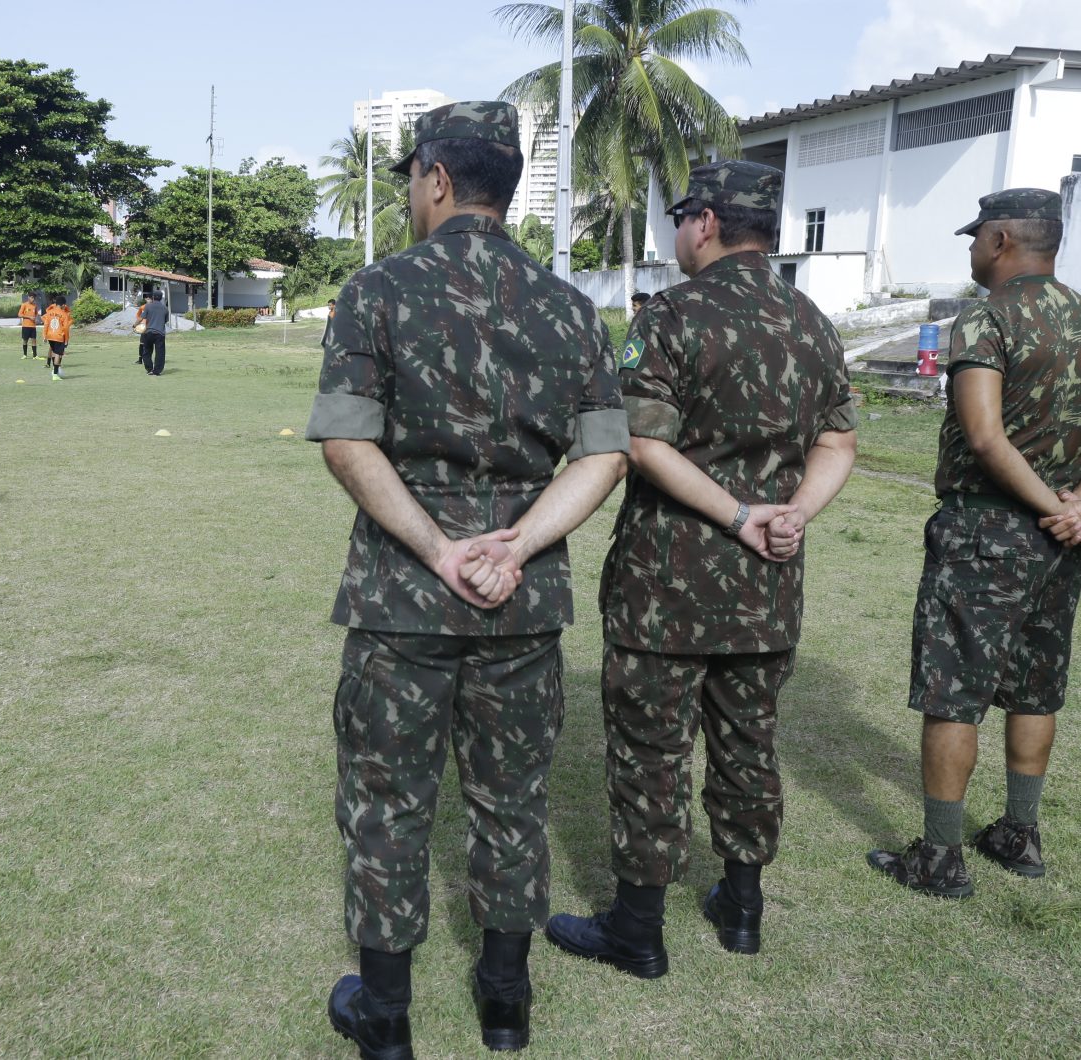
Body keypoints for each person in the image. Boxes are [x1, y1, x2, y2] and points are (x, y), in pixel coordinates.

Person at [307, 101, 629, 1058]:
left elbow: (346, 440)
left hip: (405, 601)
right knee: (512, 799)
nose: (411, 193)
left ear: (437, 179)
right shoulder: (571, 308)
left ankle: (388, 1017)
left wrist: (439, 550)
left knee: (386, 800)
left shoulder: (378, 291)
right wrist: (518, 544)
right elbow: (605, 457)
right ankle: (505, 1004)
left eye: (411, 177)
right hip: (521, 606)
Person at [543, 161, 858, 977]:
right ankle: (741, 907)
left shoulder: (674, 314)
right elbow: (839, 441)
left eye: (682, 216)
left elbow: (641, 440)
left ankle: (638, 931)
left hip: (668, 583)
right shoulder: (813, 321)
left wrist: (739, 515)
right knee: (749, 742)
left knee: (651, 752)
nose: (677, 232)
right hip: (765, 587)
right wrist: (788, 515)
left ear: (707, 221)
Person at [868, 189, 1081, 897]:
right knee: (1036, 689)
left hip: (988, 528)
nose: (968, 252)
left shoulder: (986, 316)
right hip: (1061, 539)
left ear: (999, 240)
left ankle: (940, 856)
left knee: (952, 694)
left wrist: (1051, 505)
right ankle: (1020, 834)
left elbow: (986, 437)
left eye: (973, 239)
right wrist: (1074, 508)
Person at [138, 289, 169, 375]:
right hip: (160, 333)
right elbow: (165, 321)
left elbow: (141, 318)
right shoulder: (165, 308)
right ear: (161, 298)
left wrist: (135, 325)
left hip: (148, 332)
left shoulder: (148, 306)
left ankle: (149, 369)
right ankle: (157, 371)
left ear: (153, 297)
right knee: (160, 353)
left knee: (146, 351)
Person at [44, 295, 70, 380]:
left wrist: (44, 335)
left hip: (50, 335)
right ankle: (55, 374)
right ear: (63, 305)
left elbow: (46, 324)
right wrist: (66, 339)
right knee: (58, 354)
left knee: (53, 351)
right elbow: (66, 328)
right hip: (59, 336)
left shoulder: (49, 312)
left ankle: (54, 369)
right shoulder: (64, 314)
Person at [18, 294, 40, 359]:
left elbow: (36, 313)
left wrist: (36, 317)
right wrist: (29, 317)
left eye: (33, 298)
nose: (32, 299)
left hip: (33, 326)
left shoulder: (35, 305)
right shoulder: (24, 305)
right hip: (25, 326)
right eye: (31, 297)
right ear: (28, 297)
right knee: (25, 340)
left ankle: (35, 356)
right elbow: (19, 314)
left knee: (34, 340)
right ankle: (25, 355)